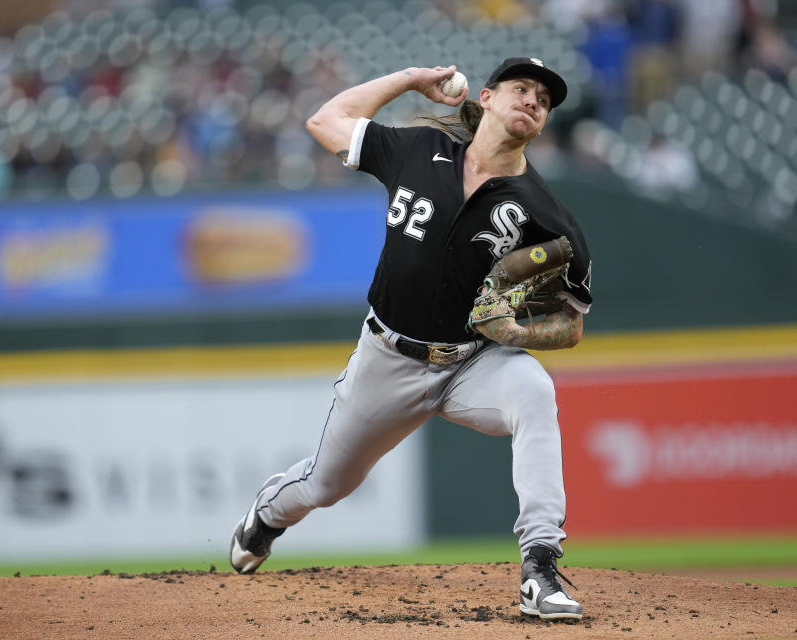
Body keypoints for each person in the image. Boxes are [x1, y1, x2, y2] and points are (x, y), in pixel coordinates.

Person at [229, 57, 593, 621]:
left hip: (474, 362)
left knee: (534, 394)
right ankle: (270, 514)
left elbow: (571, 321)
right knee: (327, 484)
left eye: (544, 100)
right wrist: (408, 79)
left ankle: (539, 567)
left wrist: (521, 332)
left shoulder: (548, 217)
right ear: (490, 97)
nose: (533, 101)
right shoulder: (421, 150)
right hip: (388, 357)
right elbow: (326, 120)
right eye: (522, 88)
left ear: (543, 122)